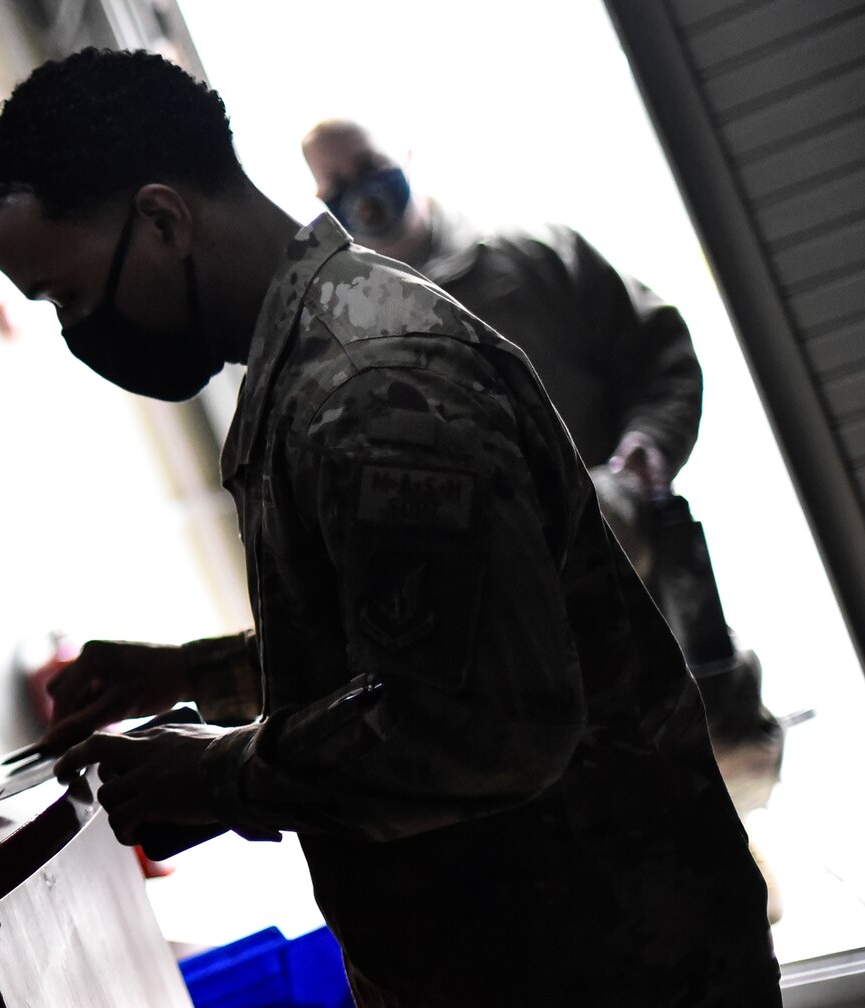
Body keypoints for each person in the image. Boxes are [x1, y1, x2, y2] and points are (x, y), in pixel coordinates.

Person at [0, 50, 819, 1008]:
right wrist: (187, 678)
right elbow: (412, 634)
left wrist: (218, 774)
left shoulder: (369, 386)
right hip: (552, 1005)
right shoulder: (314, 363)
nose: (80, 335)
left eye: (73, 294)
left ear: (161, 217)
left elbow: (476, 721)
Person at [301, 119, 784, 813]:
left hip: (642, 577)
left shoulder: (537, 260)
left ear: (406, 153)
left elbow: (660, 357)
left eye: (370, 166)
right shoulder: (353, 342)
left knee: (721, 767)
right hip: (509, 645)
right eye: (337, 186)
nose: (363, 193)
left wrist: (648, 444)